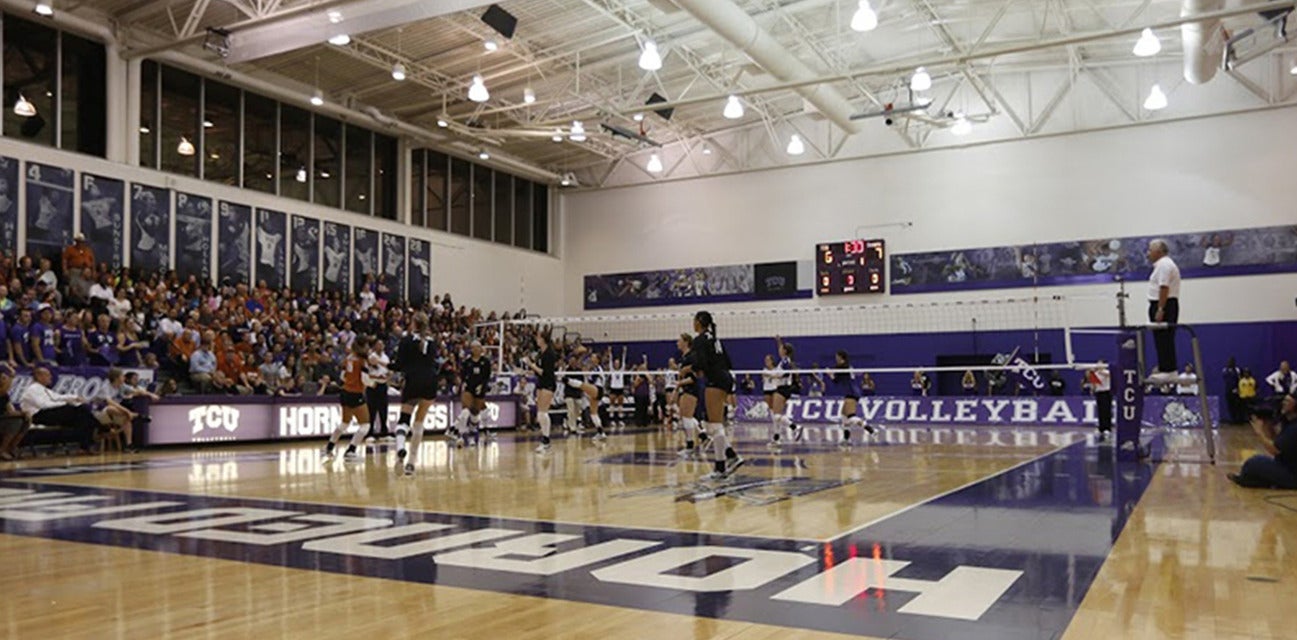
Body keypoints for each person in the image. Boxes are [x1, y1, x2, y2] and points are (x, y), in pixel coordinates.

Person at [690, 311, 743, 480]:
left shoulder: (699, 340)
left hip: (715, 379)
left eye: (694, 320)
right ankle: (731, 456)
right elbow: (728, 361)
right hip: (725, 377)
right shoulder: (715, 339)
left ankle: (721, 468)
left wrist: (697, 371)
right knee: (713, 424)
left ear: (699, 322)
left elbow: (701, 362)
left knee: (714, 425)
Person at [391, 312, 439, 476]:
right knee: (419, 422)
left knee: (404, 420)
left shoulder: (406, 340)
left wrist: (384, 365)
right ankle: (411, 463)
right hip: (430, 382)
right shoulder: (432, 341)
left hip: (413, 381)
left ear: (413, 323)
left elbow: (398, 365)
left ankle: (400, 449)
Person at [19, 367, 98, 453]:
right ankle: (99, 429)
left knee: (82, 415)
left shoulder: (43, 389)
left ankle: (85, 446)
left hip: (49, 413)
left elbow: (57, 397)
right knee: (80, 411)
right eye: (48, 375)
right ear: (39, 376)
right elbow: (44, 405)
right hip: (38, 416)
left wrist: (74, 398)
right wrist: (65, 404)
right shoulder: (33, 389)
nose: (51, 377)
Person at [1228, 394, 1297, 489]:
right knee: (1256, 465)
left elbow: (1275, 450)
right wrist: (1268, 426)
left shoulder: (1294, 428)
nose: (1283, 404)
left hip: (1292, 473)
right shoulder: (1289, 423)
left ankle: (1246, 481)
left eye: (1287, 402)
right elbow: (1277, 442)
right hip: (1286, 466)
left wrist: (1259, 432)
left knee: (1253, 463)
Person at [324, 340, 373, 462]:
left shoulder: (348, 358)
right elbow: (365, 379)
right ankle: (351, 450)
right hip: (356, 393)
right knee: (365, 425)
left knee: (345, 423)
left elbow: (342, 376)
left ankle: (330, 446)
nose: (368, 348)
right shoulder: (362, 361)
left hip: (345, 392)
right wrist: (373, 383)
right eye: (367, 345)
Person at [1145, 239, 1181, 383]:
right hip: (1163, 303)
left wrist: (1160, 308)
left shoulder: (1164, 265)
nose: (1148, 253)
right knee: (1160, 339)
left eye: (1150, 250)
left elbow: (1164, 287)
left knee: (1164, 338)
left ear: (1158, 252)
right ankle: (1165, 367)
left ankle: (1169, 370)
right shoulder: (1161, 265)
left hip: (1165, 304)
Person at [830, 350, 876, 449]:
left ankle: (871, 430)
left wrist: (830, 374)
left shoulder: (841, 367)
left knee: (851, 416)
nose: (835, 359)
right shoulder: (847, 366)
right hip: (851, 392)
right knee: (843, 416)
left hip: (851, 392)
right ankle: (846, 439)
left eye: (837, 357)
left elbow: (836, 381)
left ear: (841, 357)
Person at [525, 332, 559, 453]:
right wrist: (531, 371)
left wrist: (531, 365)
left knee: (542, 413)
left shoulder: (549, 354)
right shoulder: (541, 353)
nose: (536, 340)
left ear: (543, 339)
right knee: (541, 414)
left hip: (548, 384)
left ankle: (546, 441)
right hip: (541, 383)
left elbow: (545, 372)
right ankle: (545, 440)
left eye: (538, 338)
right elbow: (539, 371)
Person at [456, 341, 493, 445]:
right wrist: (461, 384)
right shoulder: (466, 362)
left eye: (478, 347)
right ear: (471, 349)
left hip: (480, 390)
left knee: (475, 413)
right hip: (468, 388)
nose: (476, 349)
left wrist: (482, 386)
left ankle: (473, 431)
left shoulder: (485, 362)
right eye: (473, 347)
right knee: (465, 411)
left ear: (481, 349)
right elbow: (462, 376)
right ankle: (460, 434)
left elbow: (487, 377)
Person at [675, 335, 703, 457]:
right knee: (686, 416)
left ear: (686, 342)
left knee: (686, 417)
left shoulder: (691, 357)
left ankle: (690, 446)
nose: (677, 343)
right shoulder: (684, 357)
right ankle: (703, 434)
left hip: (691, 389)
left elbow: (693, 378)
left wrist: (679, 383)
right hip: (685, 388)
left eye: (679, 341)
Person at [365, 337, 392, 441]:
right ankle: (370, 433)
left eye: (382, 344)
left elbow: (388, 370)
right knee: (371, 410)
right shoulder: (371, 357)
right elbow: (368, 374)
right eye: (378, 344)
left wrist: (388, 375)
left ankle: (384, 433)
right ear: (375, 346)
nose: (381, 346)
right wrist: (378, 377)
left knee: (383, 409)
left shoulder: (385, 357)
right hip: (373, 386)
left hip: (383, 386)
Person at [0, 367, 30, 460]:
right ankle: (2, 450)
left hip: (3, 419)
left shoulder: (6, 396)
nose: (7, 380)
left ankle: (11, 447)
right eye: (4, 378)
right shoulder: (2, 392)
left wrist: (24, 413)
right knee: (15, 422)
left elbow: (10, 411)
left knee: (26, 420)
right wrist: (12, 376)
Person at [1088, 360, 1113, 442]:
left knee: (1107, 410)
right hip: (1099, 393)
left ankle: (1107, 428)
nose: (1098, 365)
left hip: (1106, 392)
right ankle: (1101, 428)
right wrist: (1091, 374)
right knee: (1100, 410)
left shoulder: (1106, 372)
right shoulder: (1095, 374)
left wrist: (1099, 370)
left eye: (1100, 363)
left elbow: (1108, 375)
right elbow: (1094, 384)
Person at [1223, 357, 1243, 424]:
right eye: (1229, 362)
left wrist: (1237, 388)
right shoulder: (1225, 370)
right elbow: (1226, 380)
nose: (1230, 363)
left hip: (1236, 390)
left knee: (1237, 405)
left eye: (1232, 362)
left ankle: (1238, 420)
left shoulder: (1237, 370)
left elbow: (1239, 379)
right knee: (1230, 405)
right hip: (1228, 390)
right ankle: (1232, 419)